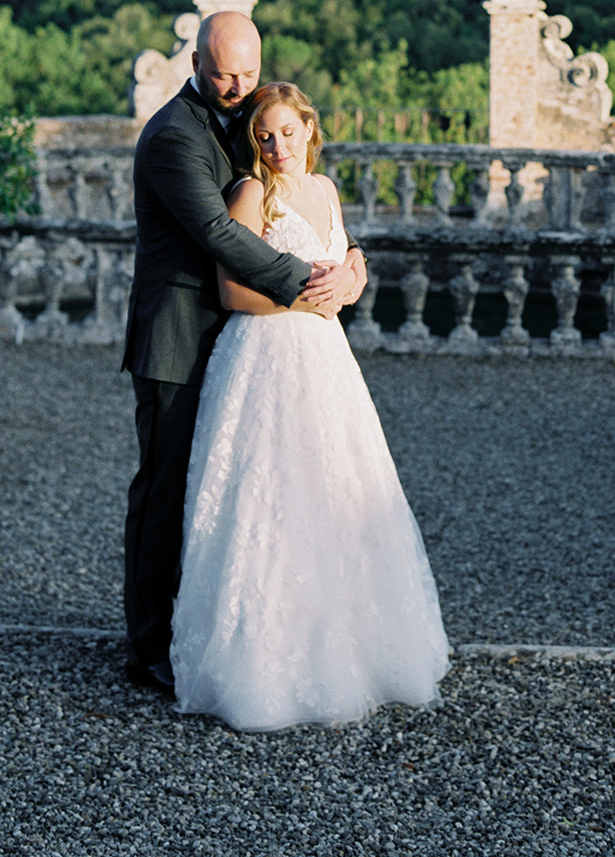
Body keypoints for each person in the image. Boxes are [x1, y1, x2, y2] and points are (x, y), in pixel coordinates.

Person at [170, 82, 449, 731]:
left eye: (287, 132)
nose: (277, 146)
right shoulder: (248, 194)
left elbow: (343, 266)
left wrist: (354, 274)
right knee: (269, 499)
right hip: (263, 356)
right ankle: (260, 667)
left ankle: (348, 649)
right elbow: (233, 294)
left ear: (308, 129)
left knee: (336, 490)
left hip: (324, 359)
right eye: (264, 135)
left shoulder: (324, 191)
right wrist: (308, 300)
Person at [122, 13, 364, 691]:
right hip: (178, 336)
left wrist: (350, 258)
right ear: (195, 60)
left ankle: (232, 632)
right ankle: (148, 648)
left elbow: (293, 199)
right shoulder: (174, 136)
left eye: (248, 72)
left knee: (235, 493)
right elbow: (219, 235)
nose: (236, 85)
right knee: (165, 495)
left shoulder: (246, 119)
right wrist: (312, 284)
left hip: (240, 343)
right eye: (223, 72)